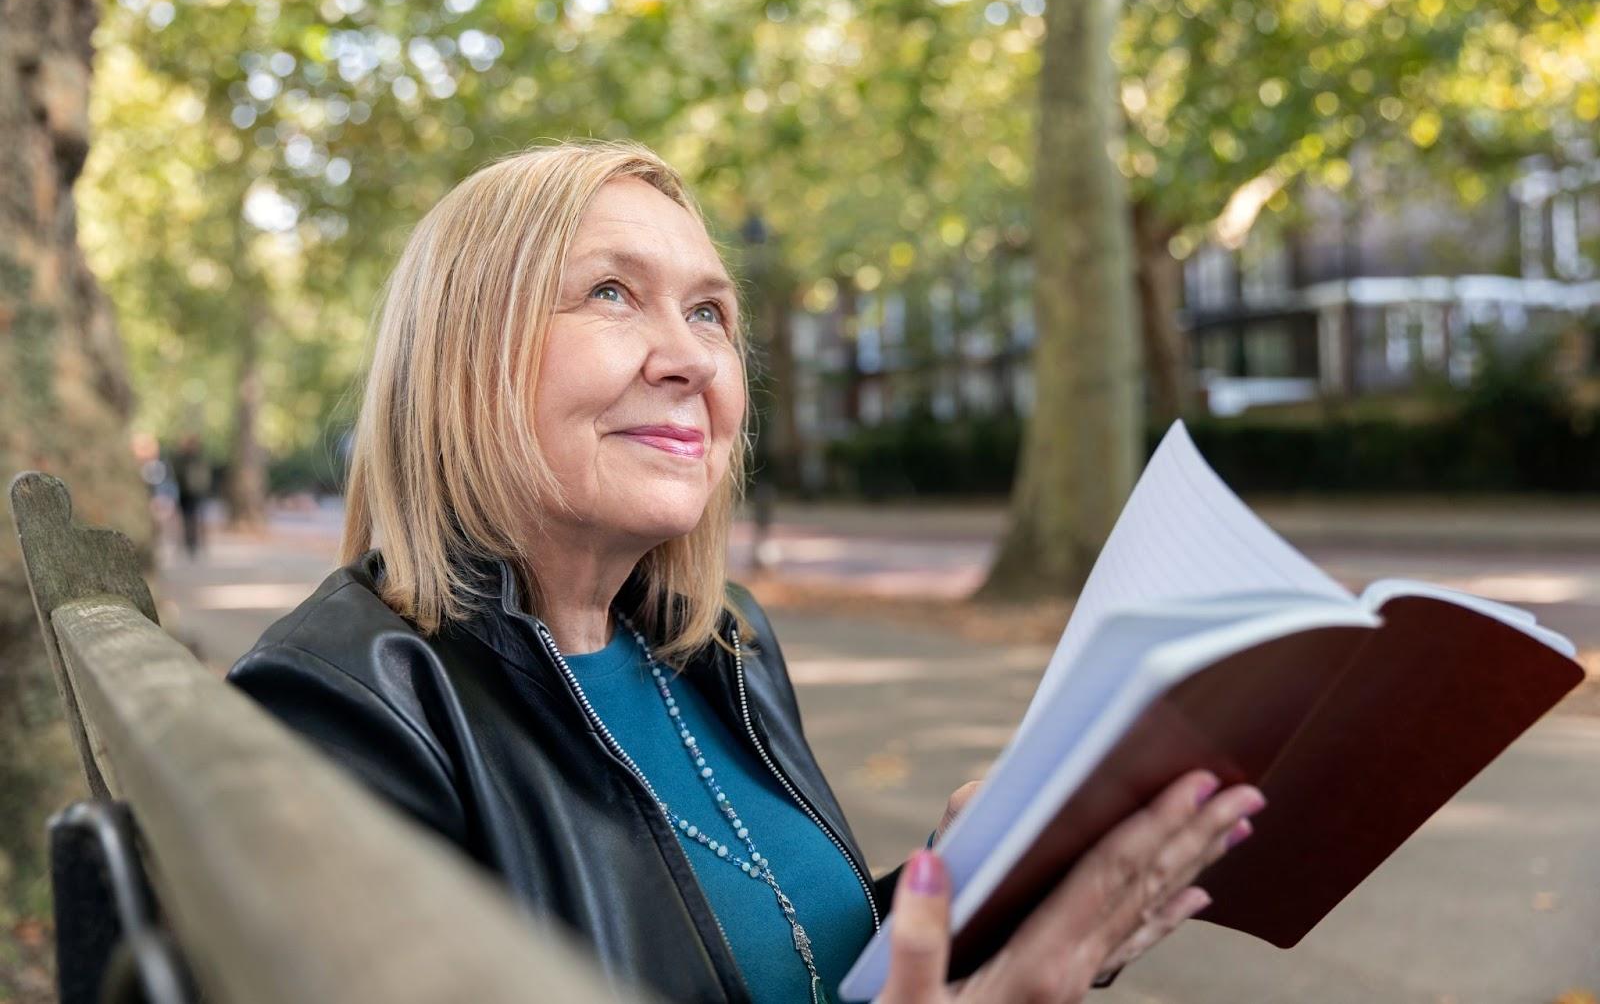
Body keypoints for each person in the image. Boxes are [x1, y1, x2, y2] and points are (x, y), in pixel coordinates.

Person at [225, 142, 1263, 1004]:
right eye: (611, 293)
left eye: (711, 312)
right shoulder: (342, 703)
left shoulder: (721, 638)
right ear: (461, 358)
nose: (692, 360)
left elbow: (772, 955)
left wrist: (983, 894)